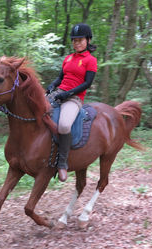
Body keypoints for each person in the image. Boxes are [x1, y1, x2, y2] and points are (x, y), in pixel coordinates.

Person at [46, 23, 97, 182]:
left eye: (80, 40)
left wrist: (68, 94)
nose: (77, 43)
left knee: (64, 125)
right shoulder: (68, 58)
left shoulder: (91, 60)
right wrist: (53, 85)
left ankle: (62, 163)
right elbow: (61, 78)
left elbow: (87, 83)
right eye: (74, 40)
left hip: (74, 98)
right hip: (59, 92)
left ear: (88, 40)